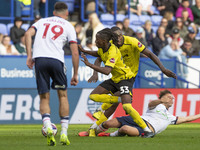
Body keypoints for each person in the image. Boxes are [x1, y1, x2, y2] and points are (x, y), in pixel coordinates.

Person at [79, 27, 177, 137]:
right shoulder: (110, 44)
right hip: (116, 77)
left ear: (122, 35)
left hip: (128, 77)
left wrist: (163, 69)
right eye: (116, 37)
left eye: (120, 36)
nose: (118, 38)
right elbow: (99, 57)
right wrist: (95, 73)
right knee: (114, 103)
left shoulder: (132, 42)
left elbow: (149, 54)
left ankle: (94, 126)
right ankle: (94, 128)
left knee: (118, 104)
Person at [25, 2, 79, 146]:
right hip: (57, 61)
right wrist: (75, 73)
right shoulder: (68, 26)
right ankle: (64, 133)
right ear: (66, 13)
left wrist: (29, 56)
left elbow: (27, 34)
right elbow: (74, 51)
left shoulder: (41, 21)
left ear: (54, 12)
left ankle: (48, 126)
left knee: (44, 97)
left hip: (40, 60)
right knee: (63, 95)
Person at [92, 90, 200, 137]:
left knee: (124, 129)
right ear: (161, 98)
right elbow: (151, 103)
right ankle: (92, 131)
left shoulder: (171, 118)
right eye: (169, 97)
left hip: (148, 128)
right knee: (108, 123)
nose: (171, 99)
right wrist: (162, 101)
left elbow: (187, 119)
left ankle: (110, 135)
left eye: (172, 98)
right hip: (138, 119)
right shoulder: (157, 105)